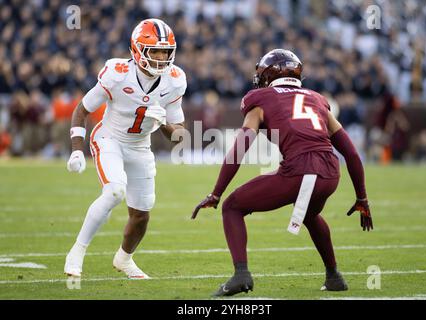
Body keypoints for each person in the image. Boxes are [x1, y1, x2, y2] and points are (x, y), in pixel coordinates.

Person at [192, 49, 373, 296]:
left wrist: (216, 193)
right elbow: (351, 154)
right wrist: (362, 197)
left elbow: (239, 149)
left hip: (300, 170)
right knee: (310, 215)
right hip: (331, 172)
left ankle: (241, 275)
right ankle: (334, 276)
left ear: (267, 75)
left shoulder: (260, 98)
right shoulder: (317, 98)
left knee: (232, 206)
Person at [64, 18, 187, 279]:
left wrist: (164, 122)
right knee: (115, 191)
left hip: (140, 147)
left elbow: (180, 136)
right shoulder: (117, 73)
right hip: (110, 137)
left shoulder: (174, 81)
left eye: (166, 52)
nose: (161, 57)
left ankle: (124, 259)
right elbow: (82, 109)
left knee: (141, 214)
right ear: (137, 49)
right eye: (155, 51)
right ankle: (77, 250)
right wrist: (76, 148)